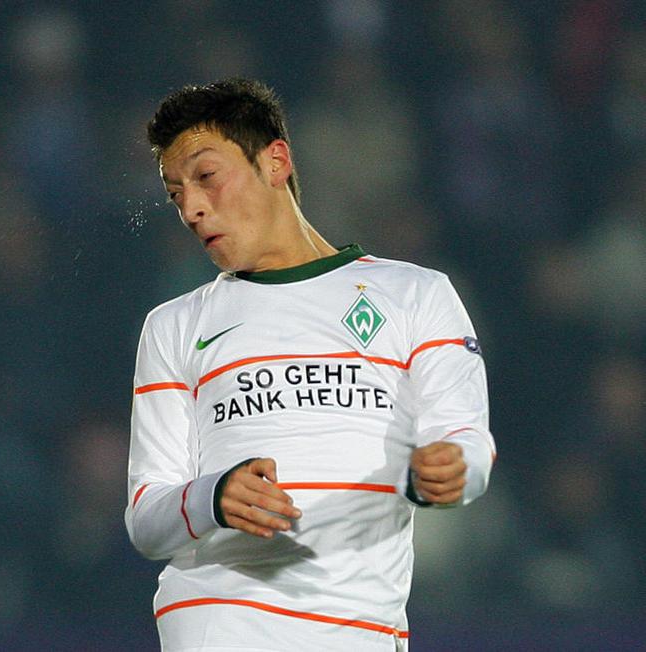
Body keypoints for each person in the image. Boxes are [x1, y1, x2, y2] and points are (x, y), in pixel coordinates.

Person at [124, 78, 496, 652]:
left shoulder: (416, 295)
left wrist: (450, 469)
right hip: (218, 624)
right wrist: (213, 497)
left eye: (207, 176)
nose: (192, 208)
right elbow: (147, 518)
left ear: (275, 161)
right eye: (176, 195)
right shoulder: (174, 325)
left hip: (358, 631)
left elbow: (467, 444)